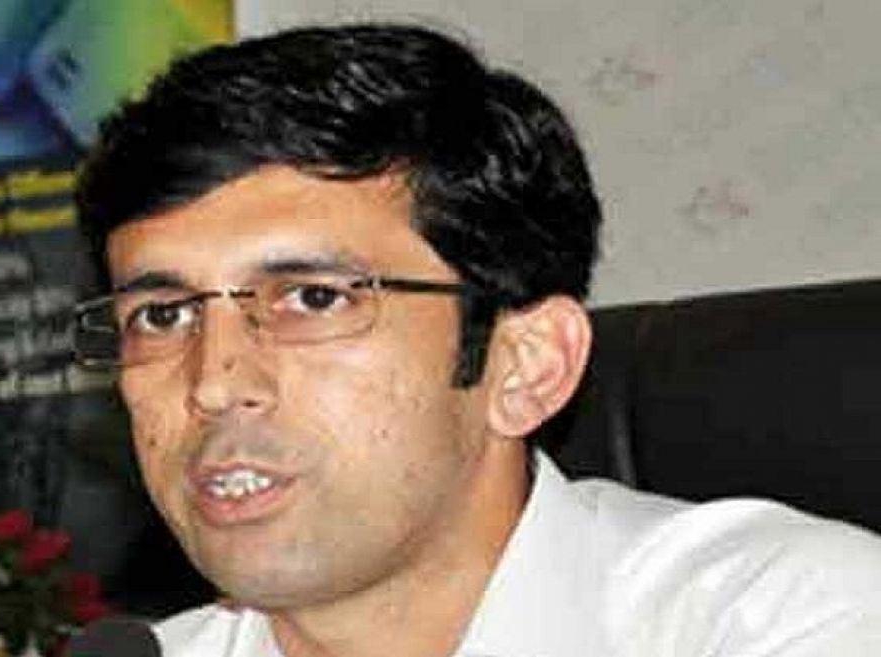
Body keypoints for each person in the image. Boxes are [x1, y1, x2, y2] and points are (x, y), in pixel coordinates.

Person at [72, 23, 881, 657]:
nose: (213, 382)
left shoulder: (789, 618)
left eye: (313, 298)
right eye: (162, 316)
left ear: (526, 365)